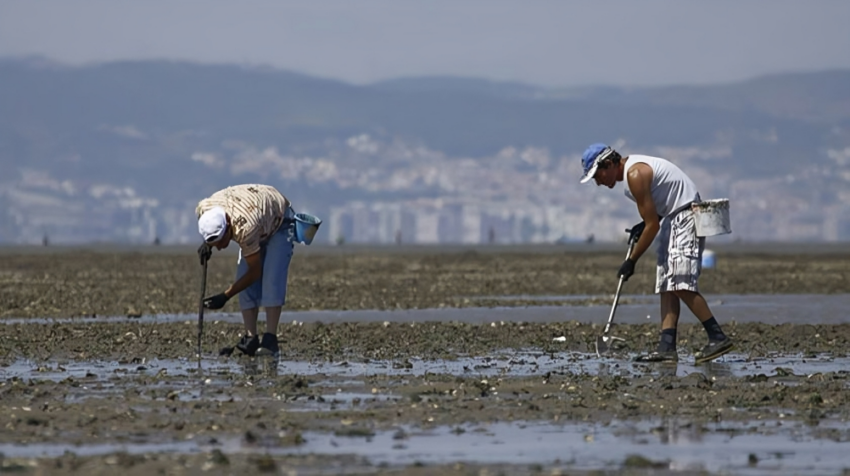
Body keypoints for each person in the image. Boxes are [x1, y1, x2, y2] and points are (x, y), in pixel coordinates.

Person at [579, 143, 733, 363]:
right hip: (671, 217)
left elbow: (653, 226)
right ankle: (666, 346)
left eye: (598, 174)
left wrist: (631, 261)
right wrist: (643, 225)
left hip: (685, 216)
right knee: (667, 285)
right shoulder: (632, 175)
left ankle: (717, 336)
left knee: (680, 283)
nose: (598, 181)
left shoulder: (635, 174)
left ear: (609, 163)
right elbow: (654, 215)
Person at [196, 184, 296, 358]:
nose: (219, 248)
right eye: (215, 244)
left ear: (228, 225)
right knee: (242, 277)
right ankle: (251, 337)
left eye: (221, 242)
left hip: (278, 221)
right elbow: (212, 231)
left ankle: (270, 339)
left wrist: (225, 296)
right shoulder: (205, 209)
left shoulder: (244, 228)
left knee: (272, 279)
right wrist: (207, 245)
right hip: (256, 214)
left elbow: (254, 273)